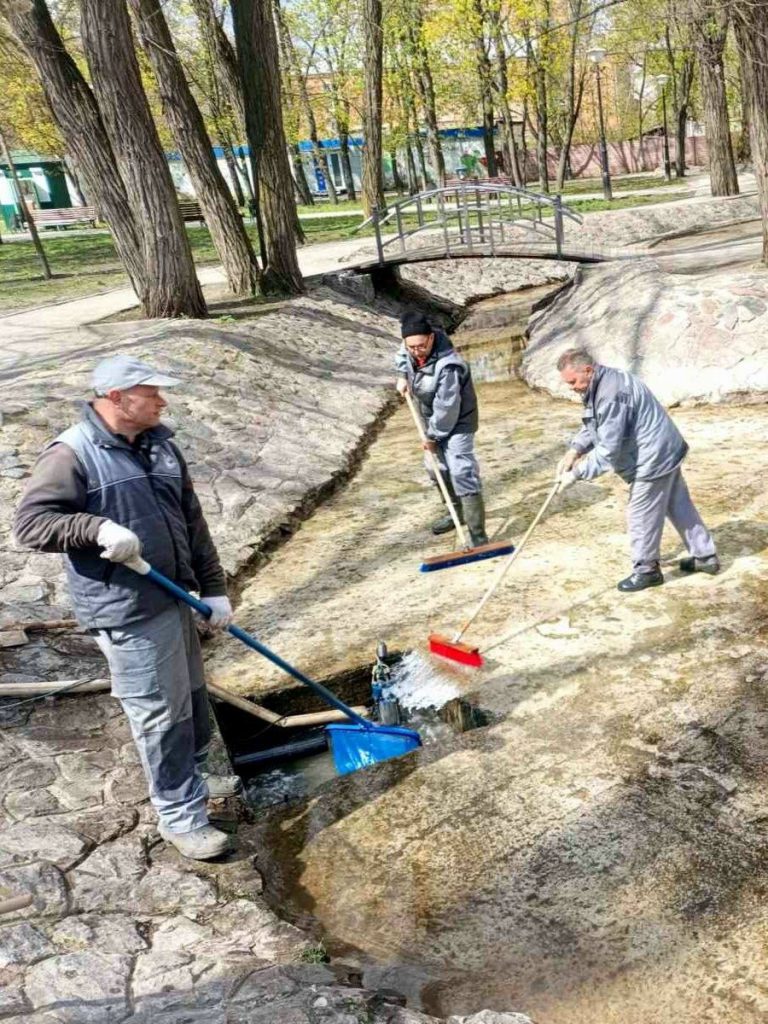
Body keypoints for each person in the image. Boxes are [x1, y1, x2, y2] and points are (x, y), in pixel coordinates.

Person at [14, 354, 240, 861]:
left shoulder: (161, 447)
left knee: (192, 706)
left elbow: (192, 520)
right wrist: (94, 528)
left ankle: (199, 787)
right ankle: (182, 820)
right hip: (127, 610)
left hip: (175, 598)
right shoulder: (72, 454)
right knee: (160, 716)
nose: (162, 400)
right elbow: (31, 525)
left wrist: (212, 588)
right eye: (152, 392)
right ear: (116, 398)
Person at [555, 348, 719, 592]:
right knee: (678, 503)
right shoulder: (601, 382)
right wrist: (575, 450)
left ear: (588, 370)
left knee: (640, 514)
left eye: (573, 381)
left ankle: (647, 570)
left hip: (652, 457)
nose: (572, 387)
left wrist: (576, 474)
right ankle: (705, 557)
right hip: (665, 448)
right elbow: (596, 423)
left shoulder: (610, 393)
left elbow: (609, 448)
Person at [396, 310, 488, 546]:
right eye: (411, 347)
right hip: (431, 421)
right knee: (435, 467)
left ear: (431, 339)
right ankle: (456, 513)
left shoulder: (449, 366)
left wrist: (433, 437)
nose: (416, 352)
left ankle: (478, 535)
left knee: (460, 470)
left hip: (458, 422)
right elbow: (401, 355)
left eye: (420, 346)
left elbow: (447, 408)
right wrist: (402, 375)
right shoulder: (410, 349)